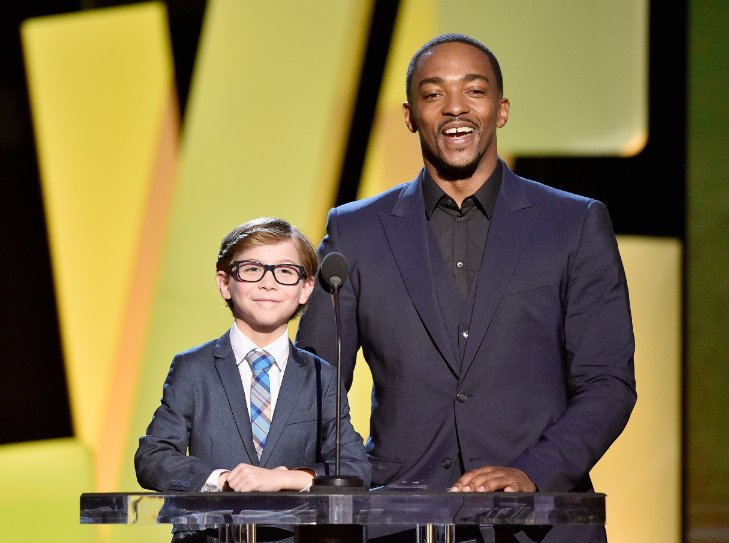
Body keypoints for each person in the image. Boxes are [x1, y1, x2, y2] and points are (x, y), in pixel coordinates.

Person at [295, 33, 637, 542]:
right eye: (434, 94)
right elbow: (316, 385)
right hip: (397, 523)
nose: (456, 108)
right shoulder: (356, 231)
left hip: (539, 523)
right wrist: (347, 479)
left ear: (501, 110)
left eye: (474, 91)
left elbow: (607, 382)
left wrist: (532, 474)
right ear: (410, 115)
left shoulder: (574, 222)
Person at [135, 217, 371, 541]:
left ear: (306, 289)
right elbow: (153, 457)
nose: (268, 283)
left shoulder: (320, 377)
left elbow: (355, 468)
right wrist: (221, 480)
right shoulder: (192, 369)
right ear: (224, 282)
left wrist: (284, 478)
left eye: (285, 271)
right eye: (252, 269)